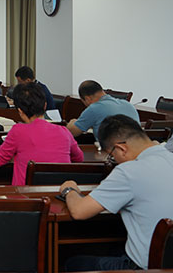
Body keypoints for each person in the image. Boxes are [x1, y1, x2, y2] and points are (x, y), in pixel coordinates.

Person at [60, 115, 173, 271]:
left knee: (71, 262)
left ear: (121, 148)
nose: (114, 160)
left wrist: (69, 189)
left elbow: (79, 211)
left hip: (145, 268)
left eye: (112, 155)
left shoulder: (129, 171)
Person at [0, 83, 83, 185]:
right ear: (45, 106)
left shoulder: (18, 131)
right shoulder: (64, 131)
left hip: (25, 193)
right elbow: (79, 158)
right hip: (58, 191)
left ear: (20, 111)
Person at [67, 80, 139, 141]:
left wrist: (73, 122)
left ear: (87, 99)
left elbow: (72, 132)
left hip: (114, 150)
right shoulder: (128, 105)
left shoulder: (94, 108)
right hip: (137, 148)